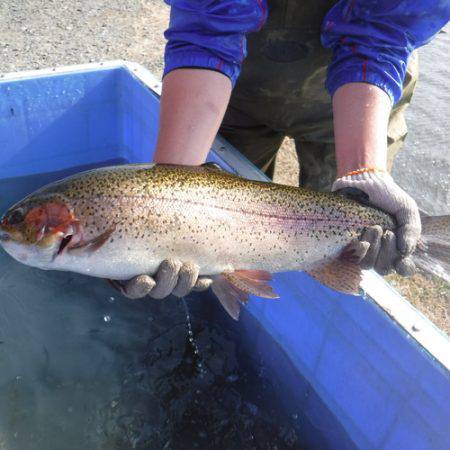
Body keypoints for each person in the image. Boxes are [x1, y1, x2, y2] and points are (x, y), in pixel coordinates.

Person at [118, 0, 450, 299]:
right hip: (228, 87)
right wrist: (164, 213)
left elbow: (379, 35)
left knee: (354, 242)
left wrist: (365, 172)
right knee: (217, 245)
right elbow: (209, 24)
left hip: (363, 99)